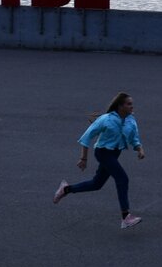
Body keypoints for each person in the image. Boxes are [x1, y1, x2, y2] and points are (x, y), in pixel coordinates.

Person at [52, 92, 146, 229]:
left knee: (96, 184)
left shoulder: (131, 120)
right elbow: (86, 137)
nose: (132, 106)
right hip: (103, 153)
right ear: (120, 106)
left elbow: (133, 137)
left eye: (132, 103)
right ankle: (125, 217)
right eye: (129, 104)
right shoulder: (106, 119)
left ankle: (65, 189)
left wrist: (139, 149)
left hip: (115, 154)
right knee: (122, 179)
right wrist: (83, 158)